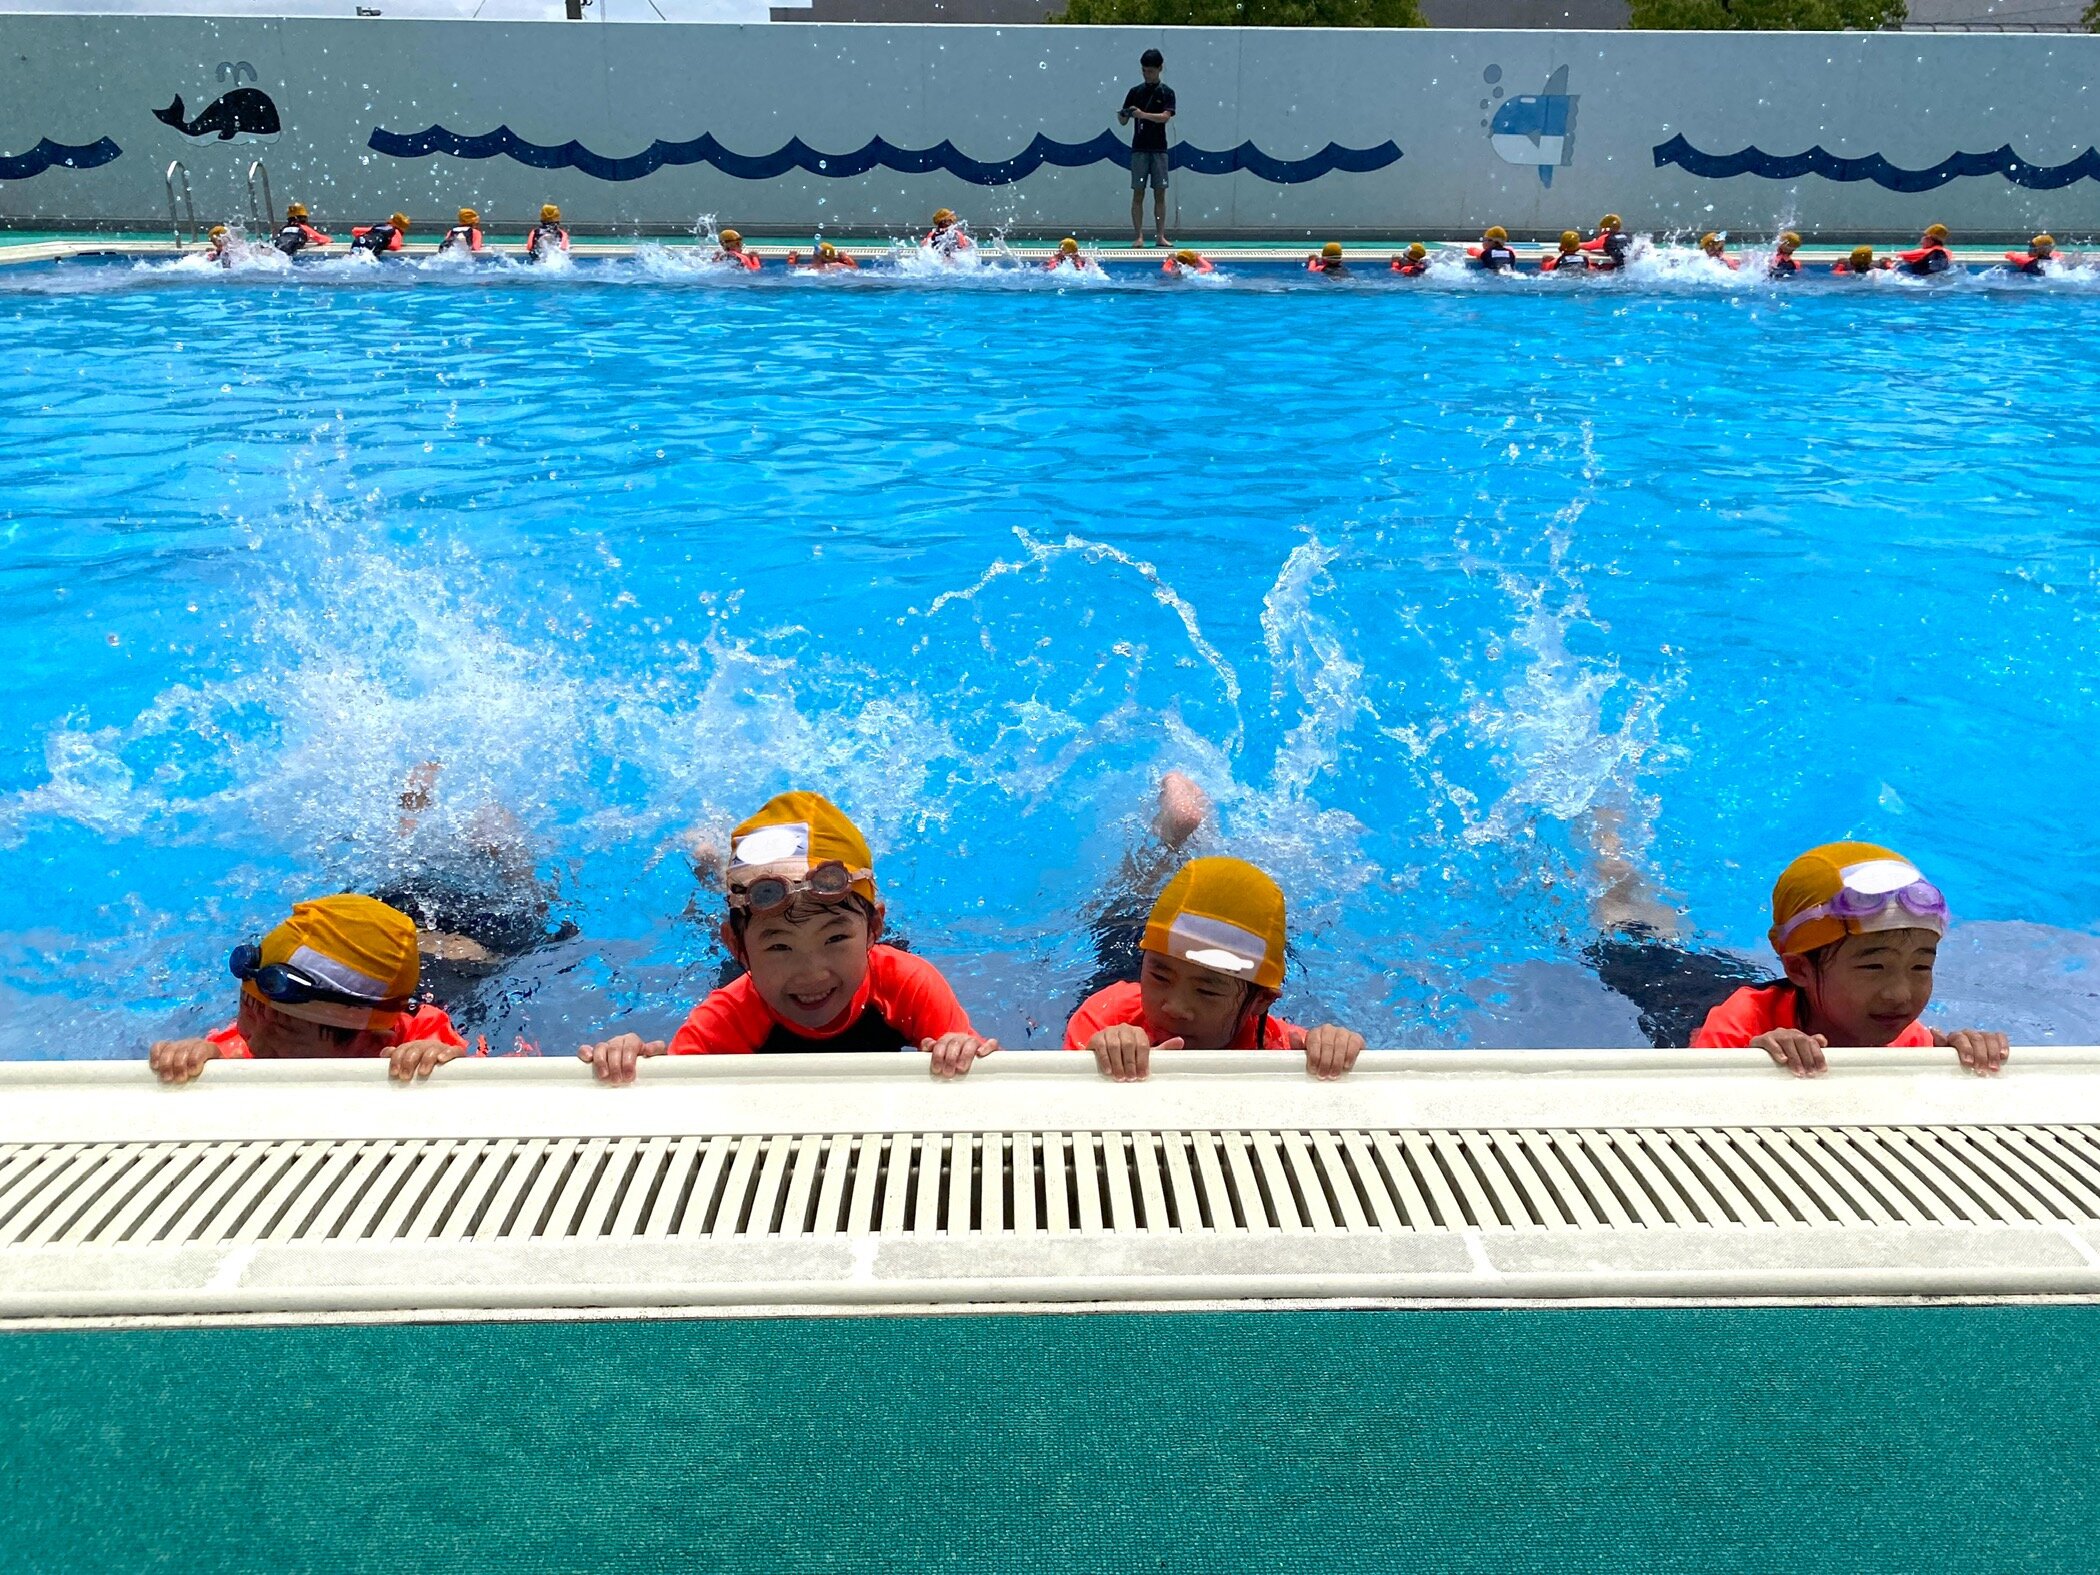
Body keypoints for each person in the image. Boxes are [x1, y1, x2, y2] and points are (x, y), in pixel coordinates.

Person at [577, 791, 996, 1080]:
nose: (811, 973)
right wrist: (629, 1062)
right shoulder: (728, 1014)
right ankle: (710, 864)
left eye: (835, 940)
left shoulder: (906, 982)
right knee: (725, 925)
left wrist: (960, 1048)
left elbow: (980, 1075)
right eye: (780, 946)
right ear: (738, 947)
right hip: (756, 979)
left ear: (873, 929)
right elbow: (669, 1101)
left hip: (855, 964)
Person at [1690, 842, 2009, 1079]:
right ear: (1799, 968)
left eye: (1920, 966)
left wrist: (1965, 1057)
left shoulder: (1910, 1039)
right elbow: (1687, 1102)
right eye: (1874, 966)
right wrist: (1753, 1065)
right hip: (1689, 1000)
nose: (1900, 994)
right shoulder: (1740, 1024)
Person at [1065, 844, 1366, 1082]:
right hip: (1123, 984)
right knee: (1118, 922)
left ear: (1261, 1001)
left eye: (1206, 991)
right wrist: (1102, 1060)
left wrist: (1333, 1049)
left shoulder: (1285, 1048)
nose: (1174, 1007)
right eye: (1158, 975)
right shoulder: (1103, 1018)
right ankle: (1169, 836)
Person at [148, 894, 471, 1085]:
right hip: (366, 935)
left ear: (368, 1042)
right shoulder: (266, 1025)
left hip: (463, 952)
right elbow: (229, 1049)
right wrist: (198, 1056)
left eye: (278, 1047)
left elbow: (461, 1067)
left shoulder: (425, 1033)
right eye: (248, 1023)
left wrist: (436, 1059)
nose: (254, 1045)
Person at [367, 760, 577, 1022]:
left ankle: (416, 814)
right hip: (476, 943)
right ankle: (417, 813)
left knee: (410, 864)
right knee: (513, 879)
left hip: (420, 934)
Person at [1119, 47, 1175, 249]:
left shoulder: (1166, 92)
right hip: (1140, 149)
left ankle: (1160, 235)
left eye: (1150, 71)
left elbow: (1165, 118)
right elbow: (1122, 121)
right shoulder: (1135, 92)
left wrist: (1143, 115)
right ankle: (1139, 236)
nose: (1147, 74)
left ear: (1160, 69)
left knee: (1160, 192)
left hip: (1159, 149)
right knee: (1138, 192)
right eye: (1144, 71)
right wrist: (1125, 114)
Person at [789, 240, 858, 272]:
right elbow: (855, 268)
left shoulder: (811, 268)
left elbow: (791, 268)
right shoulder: (837, 266)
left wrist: (792, 256)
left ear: (817, 257)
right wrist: (845, 257)